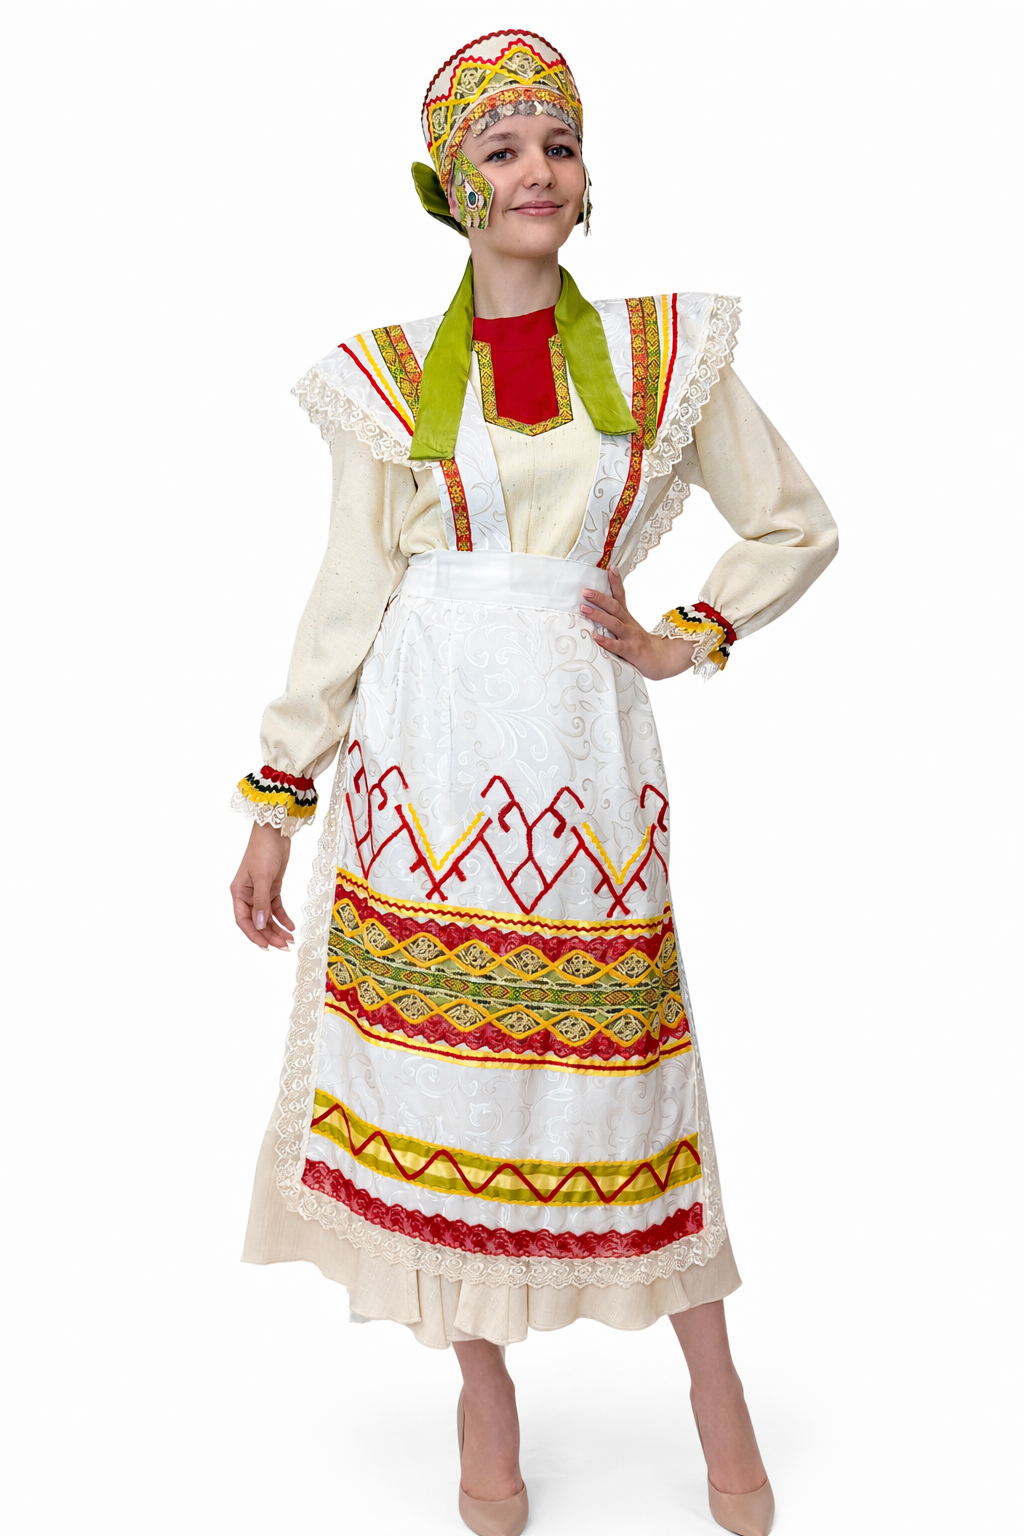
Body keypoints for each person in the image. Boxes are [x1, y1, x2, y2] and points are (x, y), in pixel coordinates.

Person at [231, 29, 837, 1536]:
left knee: (624, 1064)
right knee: (442, 1072)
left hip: (579, 762)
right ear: (453, 188)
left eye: (557, 146)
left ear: (586, 172)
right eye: (502, 153)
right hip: (423, 760)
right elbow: (348, 593)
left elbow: (795, 523)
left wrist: (687, 635)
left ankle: (714, 1384)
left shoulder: (660, 356)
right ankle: (482, 1384)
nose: (537, 173)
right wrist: (277, 798)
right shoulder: (387, 382)